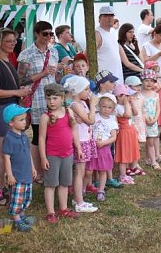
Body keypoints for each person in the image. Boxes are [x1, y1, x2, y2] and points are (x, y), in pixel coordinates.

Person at [0, 28, 32, 180]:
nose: (12, 44)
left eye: (14, 41)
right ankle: (2, 186)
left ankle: (9, 183)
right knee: (2, 151)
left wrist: (19, 91)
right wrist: (16, 92)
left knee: (9, 150)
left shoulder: (6, 59)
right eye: (8, 41)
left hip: (9, 109)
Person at [17, 20, 59, 174]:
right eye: (45, 34)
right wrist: (43, 73)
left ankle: (50, 168)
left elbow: (55, 77)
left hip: (53, 98)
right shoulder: (27, 54)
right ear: (37, 34)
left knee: (52, 134)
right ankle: (37, 171)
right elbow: (21, 80)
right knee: (38, 135)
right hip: (37, 99)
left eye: (51, 34)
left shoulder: (53, 52)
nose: (48, 37)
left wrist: (61, 72)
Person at [38, 83, 81, 223]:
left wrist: (78, 148)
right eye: (48, 98)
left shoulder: (69, 112)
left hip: (68, 154)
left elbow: (74, 131)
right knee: (50, 184)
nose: (51, 102)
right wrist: (43, 157)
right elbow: (41, 138)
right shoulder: (45, 117)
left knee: (64, 183)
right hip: (52, 155)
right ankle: (50, 212)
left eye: (55, 98)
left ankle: (63, 208)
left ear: (62, 98)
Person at [2, 104, 38, 232]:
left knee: (26, 197)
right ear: (11, 123)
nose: (25, 122)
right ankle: (17, 219)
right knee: (17, 198)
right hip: (17, 176)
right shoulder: (9, 138)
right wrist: (9, 174)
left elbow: (28, 153)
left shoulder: (24, 136)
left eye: (25, 119)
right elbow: (6, 158)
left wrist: (33, 168)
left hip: (26, 174)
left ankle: (22, 215)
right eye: (21, 120)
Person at [65, 75, 98, 213]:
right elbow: (91, 120)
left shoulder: (82, 103)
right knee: (79, 172)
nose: (88, 92)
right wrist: (93, 105)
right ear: (77, 90)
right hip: (80, 141)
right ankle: (79, 202)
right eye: (86, 89)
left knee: (81, 172)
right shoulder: (75, 105)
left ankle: (76, 197)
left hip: (86, 139)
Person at [89, 93, 119, 202]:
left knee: (102, 170)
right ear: (99, 106)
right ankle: (86, 187)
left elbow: (114, 137)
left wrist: (104, 143)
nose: (106, 109)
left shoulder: (112, 121)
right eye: (104, 106)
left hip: (104, 148)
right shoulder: (95, 116)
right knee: (89, 170)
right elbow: (89, 127)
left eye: (109, 107)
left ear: (113, 109)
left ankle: (101, 190)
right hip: (92, 147)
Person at [141, 25, 161, 115]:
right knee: (154, 105)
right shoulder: (146, 46)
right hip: (155, 79)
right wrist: (158, 54)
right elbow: (145, 62)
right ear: (155, 34)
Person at [114, 84, 141, 185]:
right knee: (124, 153)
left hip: (130, 131)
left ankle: (130, 169)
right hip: (124, 133)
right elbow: (128, 115)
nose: (129, 97)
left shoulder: (127, 105)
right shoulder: (118, 107)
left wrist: (132, 102)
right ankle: (122, 175)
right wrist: (126, 104)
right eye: (127, 96)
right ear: (119, 96)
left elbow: (136, 113)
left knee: (132, 150)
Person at [140, 70, 161, 170]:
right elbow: (140, 108)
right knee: (139, 142)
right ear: (142, 81)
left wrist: (155, 119)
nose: (149, 83)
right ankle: (137, 162)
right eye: (146, 80)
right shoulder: (139, 95)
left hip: (152, 122)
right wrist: (145, 118)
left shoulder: (155, 94)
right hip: (141, 122)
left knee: (151, 142)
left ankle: (153, 161)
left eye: (151, 81)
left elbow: (158, 109)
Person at [95, 5, 124, 84]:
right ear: (99, 19)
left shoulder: (113, 32)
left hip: (117, 76)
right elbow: (88, 54)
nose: (110, 18)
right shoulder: (97, 34)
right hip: (105, 81)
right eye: (106, 15)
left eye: (112, 15)